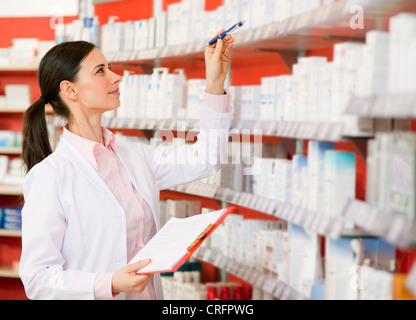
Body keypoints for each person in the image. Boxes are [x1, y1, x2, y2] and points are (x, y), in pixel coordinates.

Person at [19, 31, 234, 300]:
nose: (116, 76)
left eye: (110, 67)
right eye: (100, 71)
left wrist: (215, 82)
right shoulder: (50, 176)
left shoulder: (132, 155)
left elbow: (206, 159)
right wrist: (110, 283)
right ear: (69, 90)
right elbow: (38, 280)